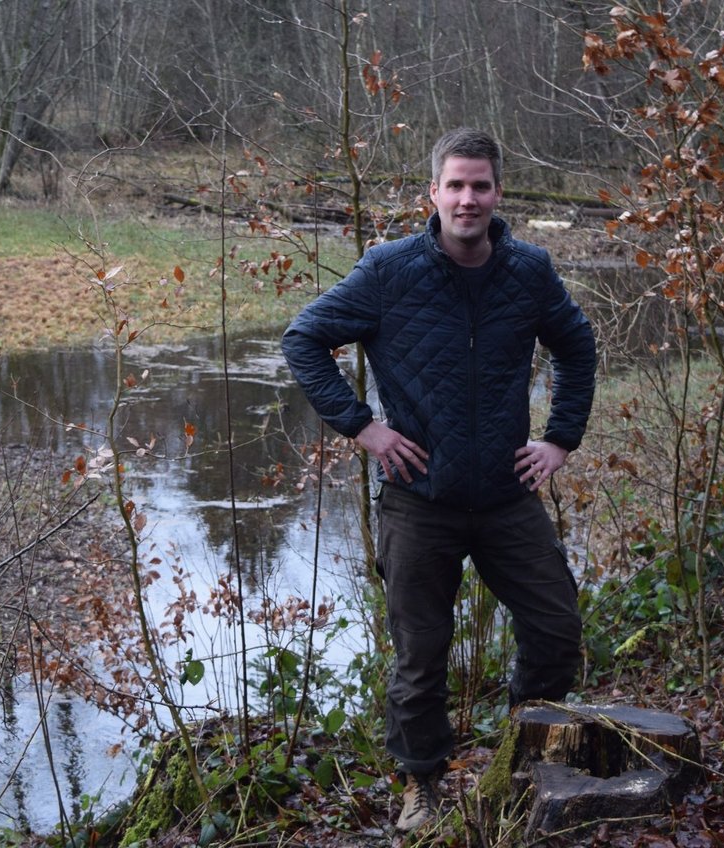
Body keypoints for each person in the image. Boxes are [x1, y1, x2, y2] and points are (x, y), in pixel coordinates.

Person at [281, 128, 597, 832]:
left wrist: (558, 441)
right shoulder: (388, 271)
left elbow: (577, 349)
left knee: (556, 630)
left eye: (480, 185)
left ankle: (523, 760)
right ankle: (423, 786)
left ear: (498, 193)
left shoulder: (529, 270)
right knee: (421, 659)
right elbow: (303, 339)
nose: (467, 198)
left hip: (508, 495)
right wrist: (362, 426)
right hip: (419, 500)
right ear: (433, 194)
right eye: (455, 185)